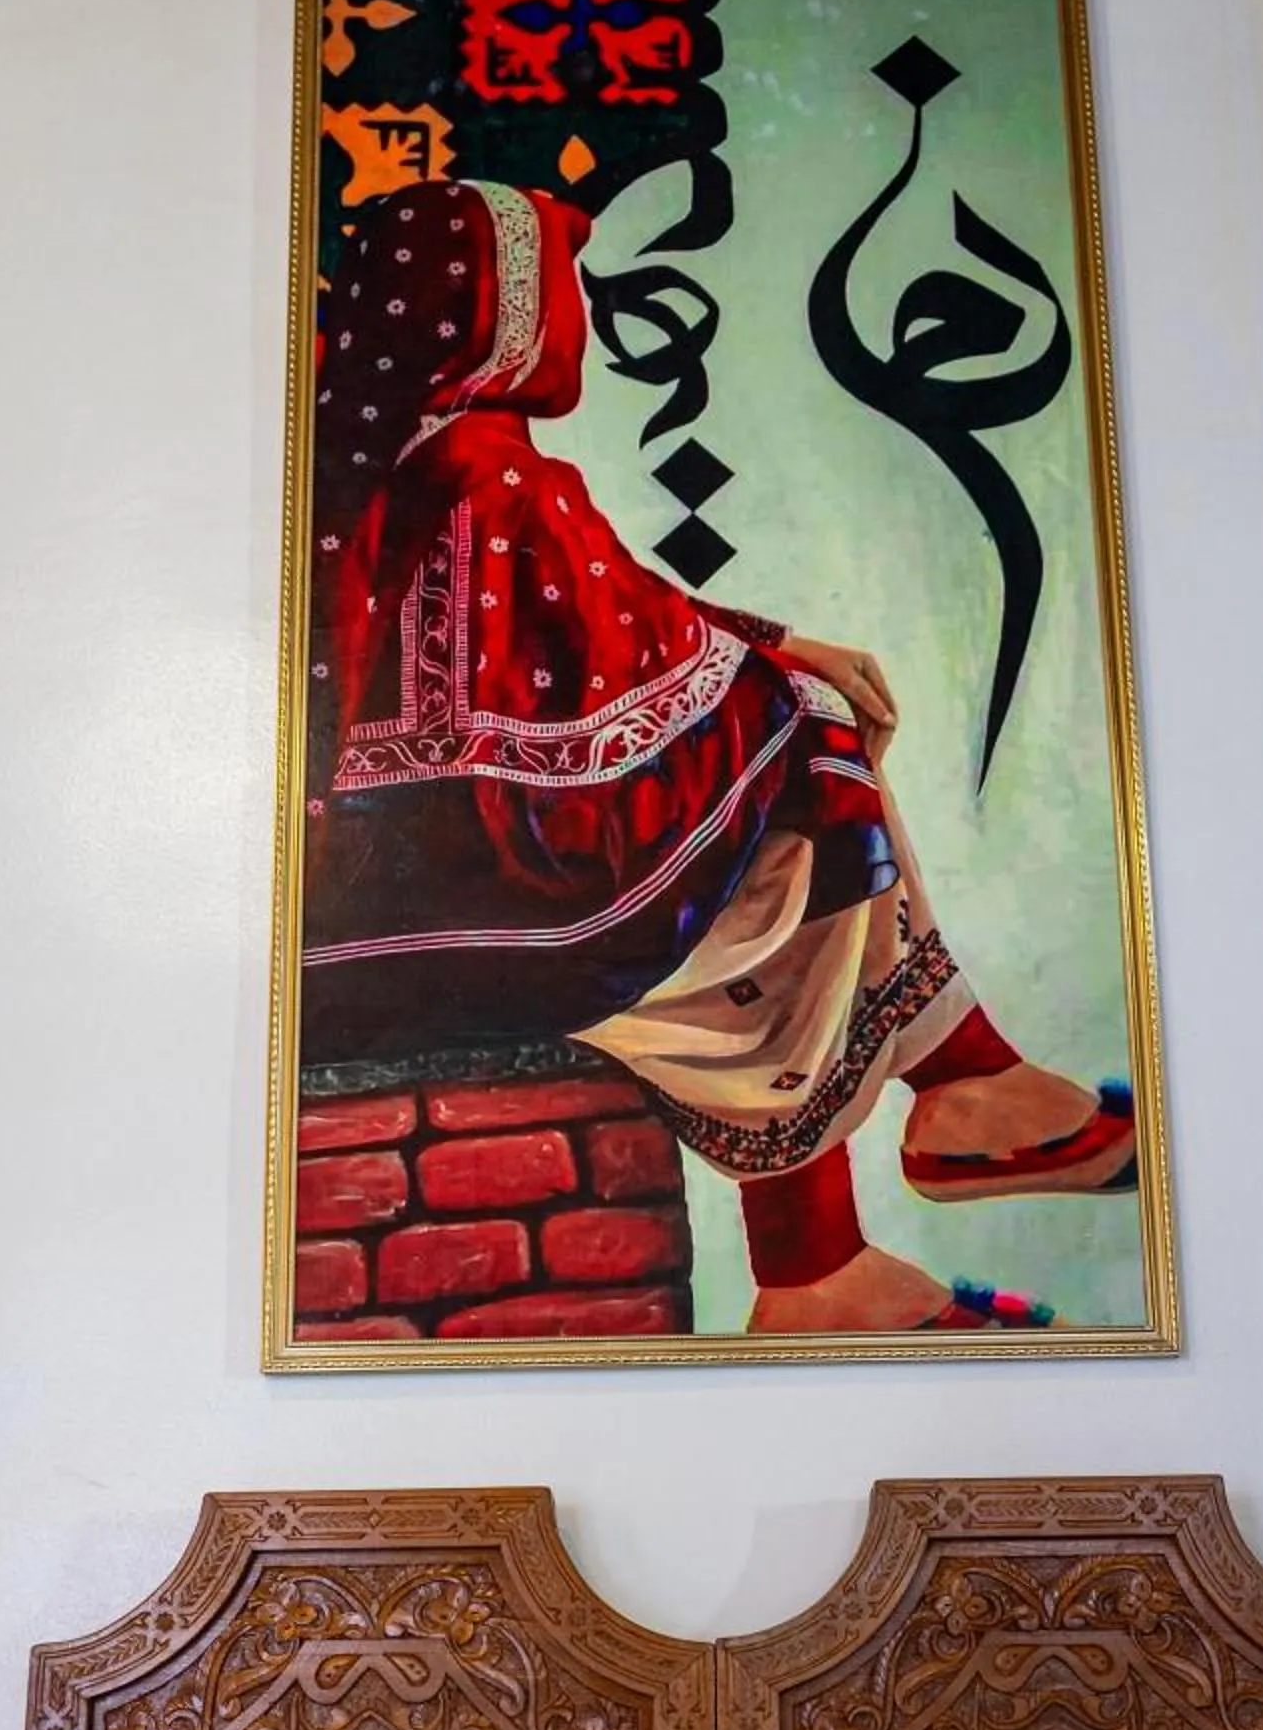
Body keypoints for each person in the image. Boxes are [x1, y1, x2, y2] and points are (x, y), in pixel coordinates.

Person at [303, 176, 1133, 1334]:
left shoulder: (363, 468)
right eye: (560, 290)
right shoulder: (488, 470)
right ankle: (856, 1216)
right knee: (793, 788)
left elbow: (619, 625)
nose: (578, 322)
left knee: (777, 758)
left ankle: (939, 1121)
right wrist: (787, 679)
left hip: (388, 914)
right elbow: (628, 668)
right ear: (495, 308)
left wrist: (773, 648)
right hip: (518, 917)